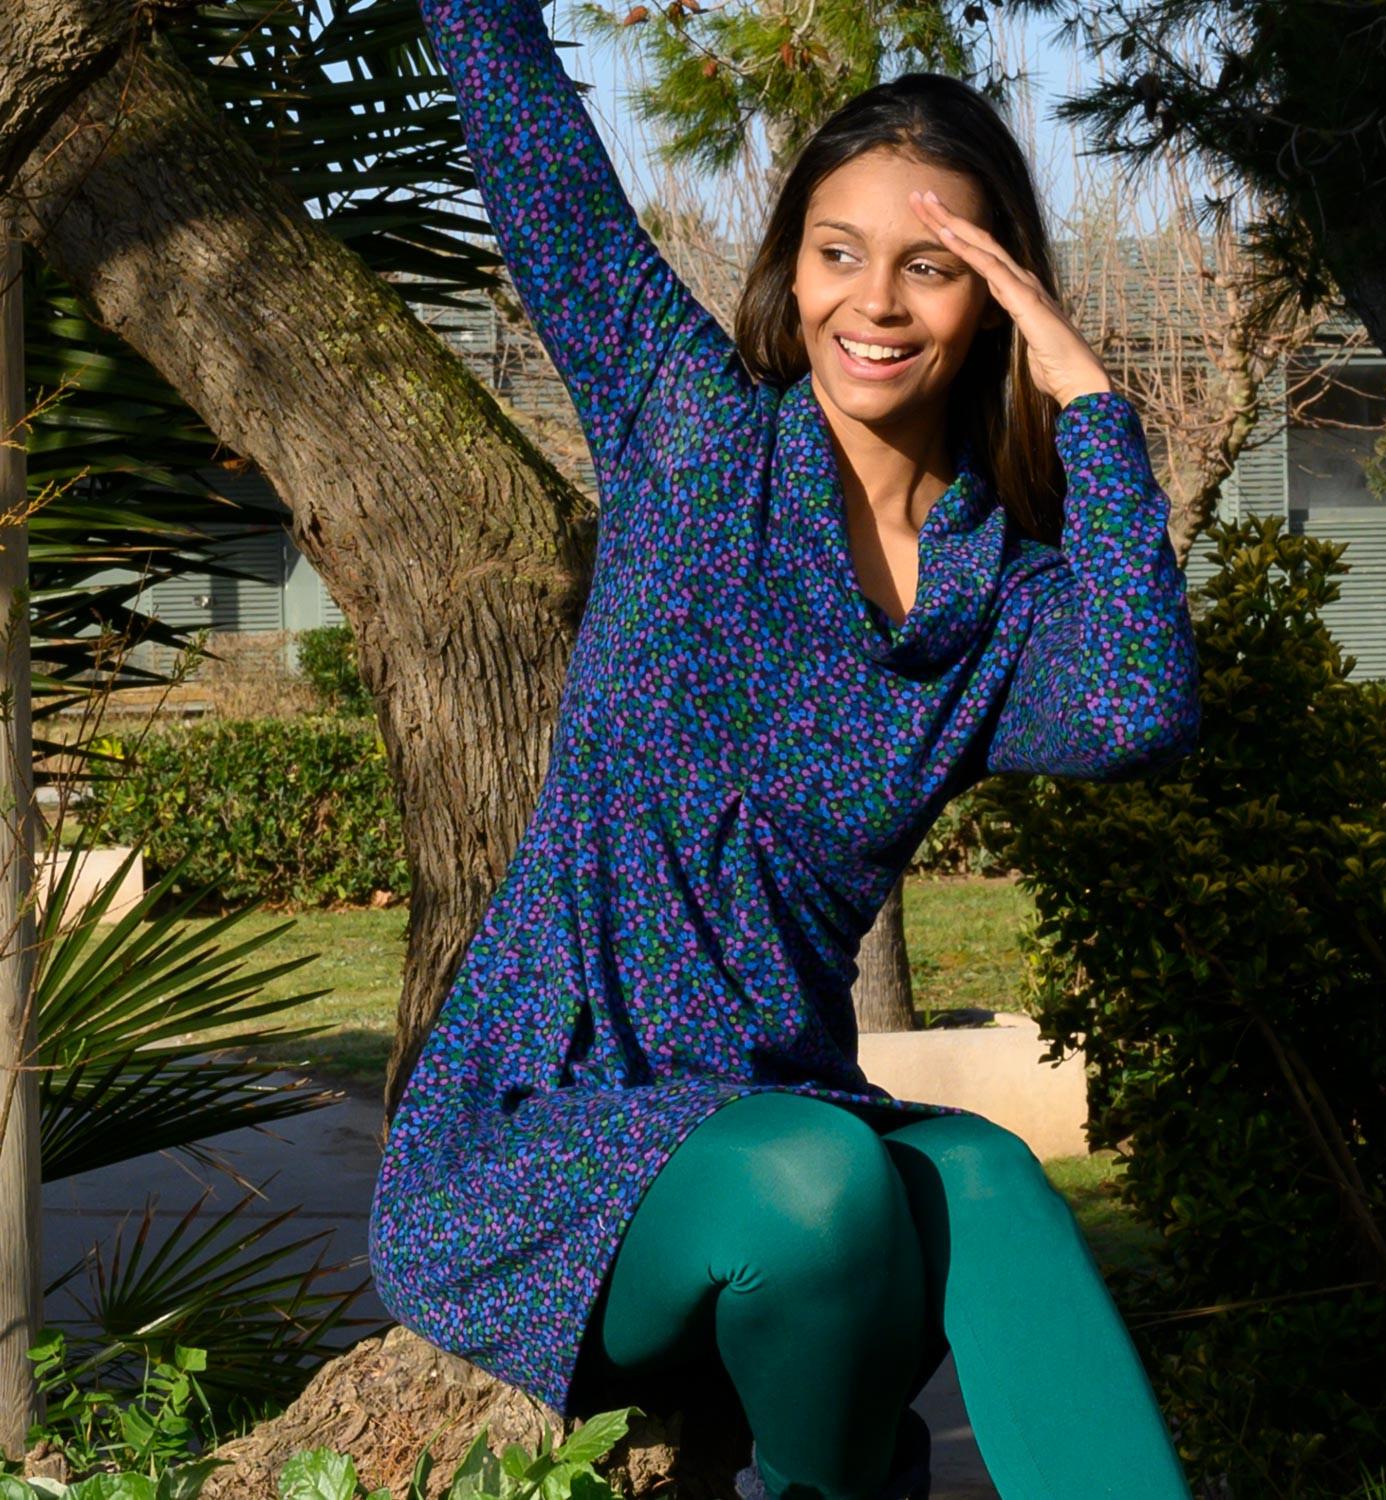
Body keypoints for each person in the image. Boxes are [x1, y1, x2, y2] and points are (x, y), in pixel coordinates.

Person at [368, 0, 1204, 1494]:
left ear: (995, 296)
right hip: (548, 1132)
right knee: (823, 1188)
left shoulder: (998, 608)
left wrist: (1088, 398)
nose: (874, 303)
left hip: (788, 1113)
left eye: (931, 265)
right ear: (792, 268)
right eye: (838, 253)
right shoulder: (690, 430)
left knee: (994, 1183)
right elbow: (532, 142)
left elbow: (1143, 709)